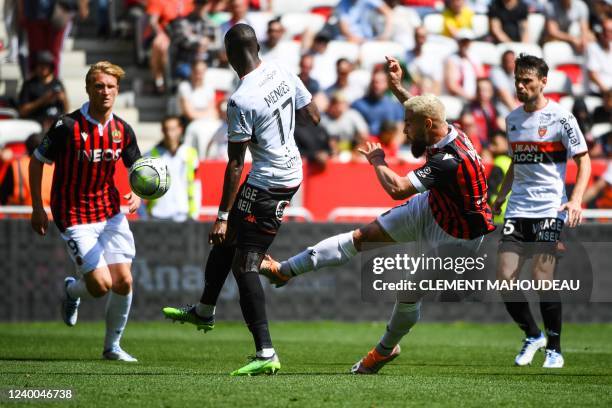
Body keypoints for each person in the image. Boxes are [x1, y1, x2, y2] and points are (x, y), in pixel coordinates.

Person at [260, 56, 495, 374]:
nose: (405, 131)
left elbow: (397, 188)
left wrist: (377, 160)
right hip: (436, 206)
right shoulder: (444, 128)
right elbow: (419, 109)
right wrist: (398, 88)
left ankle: (383, 351)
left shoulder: (447, 160)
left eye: (408, 125)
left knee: (408, 293)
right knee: (361, 237)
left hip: (458, 236)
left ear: (426, 125)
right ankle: (284, 271)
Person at [162, 24, 320, 376]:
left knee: (245, 264)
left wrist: (221, 214)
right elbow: (313, 114)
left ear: (230, 56)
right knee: (230, 240)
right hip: (290, 172)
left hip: (268, 181)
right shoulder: (280, 69)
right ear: (258, 46)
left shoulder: (240, 99)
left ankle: (265, 352)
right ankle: (205, 310)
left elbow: (235, 164)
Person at [29, 61, 142, 362]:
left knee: (124, 281)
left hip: (109, 211)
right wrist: (37, 208)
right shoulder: (67, 126)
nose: (105, 92)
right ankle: (71, 292)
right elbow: (37, 160)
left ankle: (112, 347)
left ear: (118, 91)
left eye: (111, 87)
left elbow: (138, 170)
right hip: (73, 213)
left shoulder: (122, 130)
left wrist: (138, 194)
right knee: (101, 285)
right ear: (89, 89)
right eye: (99, 86)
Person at [491, 54, 591, 369]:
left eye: (527, 81)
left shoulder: (562, 118)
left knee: (541, 277)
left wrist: (575, 200)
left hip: (550, 208)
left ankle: (555, 349)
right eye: (517, 80)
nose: (520, 86)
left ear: (543, 82)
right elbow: (516, 164)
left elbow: (584, 161)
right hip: (518, 208)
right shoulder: (512, 120)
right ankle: (533, 335)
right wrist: (500, 196)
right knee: (505, 277)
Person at [146, 116, 201, 221]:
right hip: (157, 214)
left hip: (183, 213)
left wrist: (195, 212)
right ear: (162, 130)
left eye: (173, 129)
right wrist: (145, 214)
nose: (169, 133)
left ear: (180, 130)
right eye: (166, 129)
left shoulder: (190, 153)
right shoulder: (151, 155)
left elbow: (196, 184)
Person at [18, 51, 68, 132]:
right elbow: (22, 111)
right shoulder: (29, 84)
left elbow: (66, 110)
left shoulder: (57, 83)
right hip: (36, 123)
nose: (43, 68)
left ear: (51, 67)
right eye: (41, 65)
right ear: (36, 66)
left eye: (46, 65)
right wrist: (43, 100)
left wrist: (63, 99)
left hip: (56, 122)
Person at [0, 133, 53, 207]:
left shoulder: (17, 165)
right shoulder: (55, 167)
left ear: (26, 147)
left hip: (22, 217)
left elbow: (3, 197)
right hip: (51, 216)